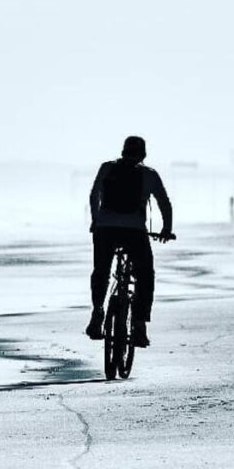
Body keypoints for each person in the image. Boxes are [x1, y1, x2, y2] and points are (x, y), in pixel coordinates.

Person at [87, 135, 173, 348]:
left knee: (101, 270)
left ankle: (98, 313)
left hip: (105, 229)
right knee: (145, 274)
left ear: (123, 150)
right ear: (143, 154)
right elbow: (164, 203)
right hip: (134, 232)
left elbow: (94, 194)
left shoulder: (107, 167)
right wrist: (166, 230)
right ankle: (139, 325)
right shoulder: (149, 174)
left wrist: (96, 220)